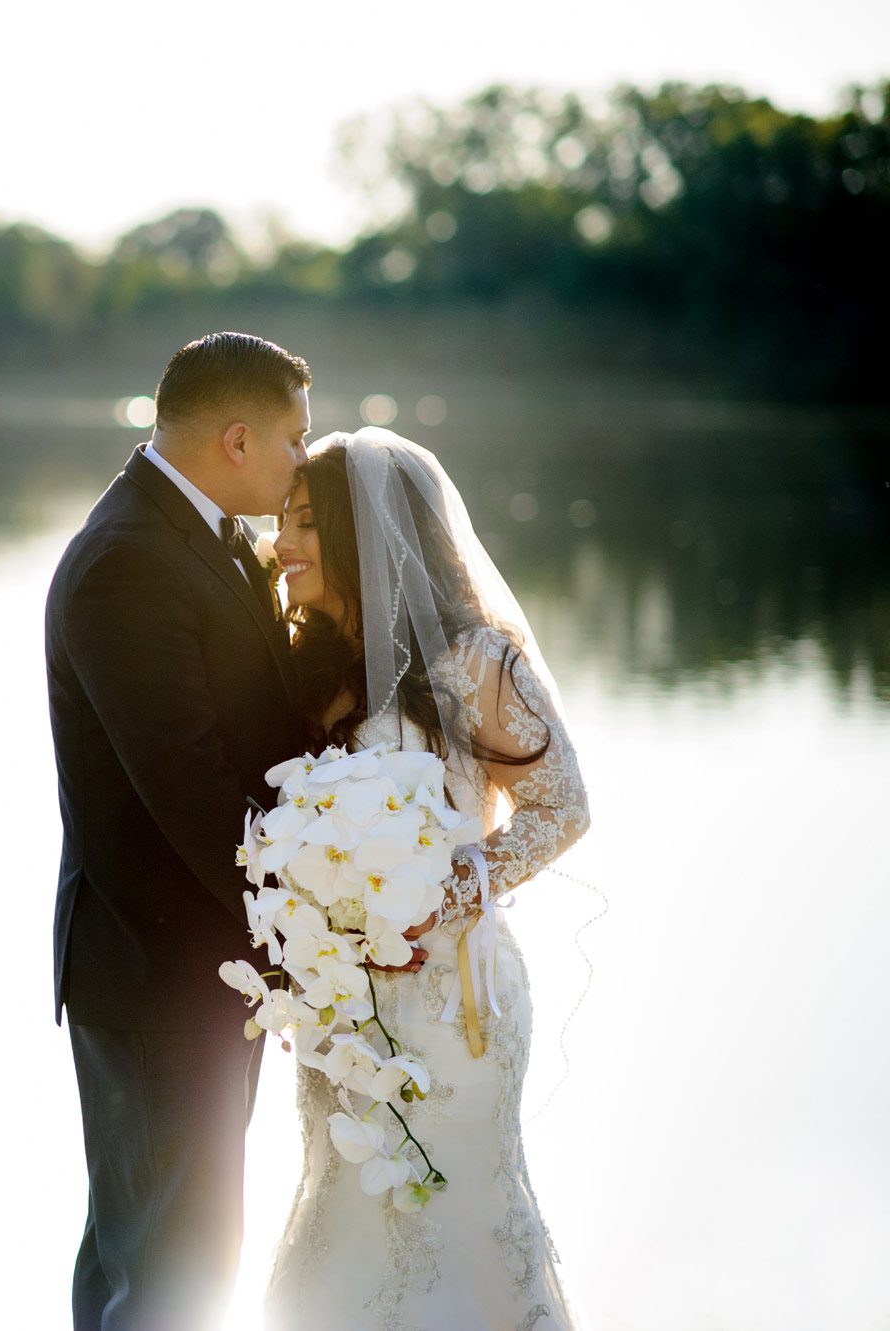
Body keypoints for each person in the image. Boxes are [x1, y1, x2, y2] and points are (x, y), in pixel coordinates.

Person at [262, 427, 591, 1329]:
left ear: (364, 532)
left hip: (456, 1005)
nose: (279, 543)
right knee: (342, 1205)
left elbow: (562, 808)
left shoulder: (476, 661)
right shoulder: (305, 664)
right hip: (342, 1005)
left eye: (302, 524)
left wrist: (444, 902)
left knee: (458, 1216)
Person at [44, 331, 313, 1329]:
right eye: (292, 438)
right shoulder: (127, 562)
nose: (300, 460)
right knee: (166, 1262)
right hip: (154, 969)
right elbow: (193, 792)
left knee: (161, 1247)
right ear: (235, 438)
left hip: (197, 965)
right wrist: (316, 934)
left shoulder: (195, 537)